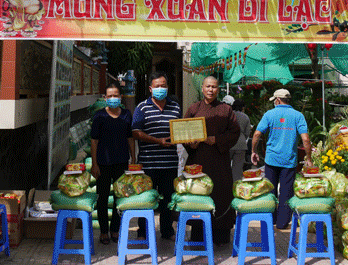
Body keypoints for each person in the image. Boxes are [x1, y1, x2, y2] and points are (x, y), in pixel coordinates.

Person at [184, 76, 240, 246]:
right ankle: (198, 235)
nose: (210, 90)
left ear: (218, 89)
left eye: (214, 87)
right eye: (208, 86)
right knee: (198, 195)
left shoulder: (226, 110)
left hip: (219, 161)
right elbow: (184, 131)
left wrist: (216, 140)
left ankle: (221, 236)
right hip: (198, 161)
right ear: (202, 88)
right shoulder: (194, 109)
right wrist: (190, 143)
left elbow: (235, 132)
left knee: (220, 195)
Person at [251, 88, 313, 230]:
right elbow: (306, 139)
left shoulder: (269, 114)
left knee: (270, 190)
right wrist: (308, 158)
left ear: (277, 100)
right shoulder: (298, 116)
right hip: (289, 161)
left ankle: (270, 219)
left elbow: (256, 134)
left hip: (271, 160)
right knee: (286, 192)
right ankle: (282, 222)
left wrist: (253, 151)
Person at [132, 71, 182, 241]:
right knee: (146, 198)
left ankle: (167, 230)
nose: (160, 88)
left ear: (168, 87)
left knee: (168, 199)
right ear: (150, 88)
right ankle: (143, 230)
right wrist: (157, 141)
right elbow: (136, 132)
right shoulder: (142, 107)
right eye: (157, 86)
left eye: (163, 85)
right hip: (148, 163)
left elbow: (180, 129)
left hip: (169, 162)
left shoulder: (175, 107)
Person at [90, 83, 136, 245]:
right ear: (105, 98)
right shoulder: (99, 116)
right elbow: (94, 141)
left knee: (120, 197)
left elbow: (130, 138)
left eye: (116, 95)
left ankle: (115, 229)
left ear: (121, 97)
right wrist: (94, 164)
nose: (113, 98)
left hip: (122, 162)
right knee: (102, 198)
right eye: (109, 96)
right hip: (103, 163)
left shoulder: (126, 115)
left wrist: (134, 160)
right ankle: (103, 232)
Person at [224, 97, 251, 182]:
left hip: (228, 143)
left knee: (225, 166)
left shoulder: (228, 115)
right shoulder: (245, 117)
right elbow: (247, 133)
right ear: (242, 107)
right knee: (237, 169)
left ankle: (225, 184)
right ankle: (235, 187)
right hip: (241, 144)